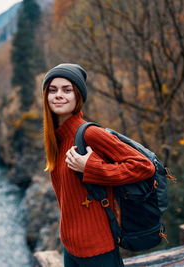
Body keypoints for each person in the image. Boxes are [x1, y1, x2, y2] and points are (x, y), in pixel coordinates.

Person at [42, 63, 155, 267]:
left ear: (78, 96)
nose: (58, 95)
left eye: (67, 90)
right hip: (70, 246)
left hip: (98, 249)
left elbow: (144, 166)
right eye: (52, 90)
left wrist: (92, 168)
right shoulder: (55, 140)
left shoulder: (89, 134)